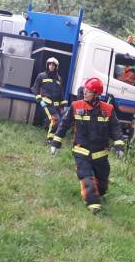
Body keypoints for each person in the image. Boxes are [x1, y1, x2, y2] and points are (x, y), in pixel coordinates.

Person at [50, 77, 125, 214]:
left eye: (89, 91)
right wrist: (56, 142)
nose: (85, 92)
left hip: (100, 154)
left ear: (96, 94)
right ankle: (93, 204)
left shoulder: (108, 110)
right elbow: (64, 124)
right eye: (85, 89)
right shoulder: (76, 106)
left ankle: (97, 194)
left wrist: (119, 145)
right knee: (86, 176)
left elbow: (115, 128)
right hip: (81, 151)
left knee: (102, 186)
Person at [31, 57, 65, 143]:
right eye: (50, 64)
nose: (51, 66)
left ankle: (51, 136)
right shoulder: (41, 76)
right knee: (55, 120)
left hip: (56, 106)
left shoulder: (59, 79)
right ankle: (50, 140)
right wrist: (40, 100)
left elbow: (61, 94)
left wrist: (62, 106)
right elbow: (35, 89)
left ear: (56, 67)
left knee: (57, 121)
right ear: (47, 65)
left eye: (53, 65)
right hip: (46, 103)